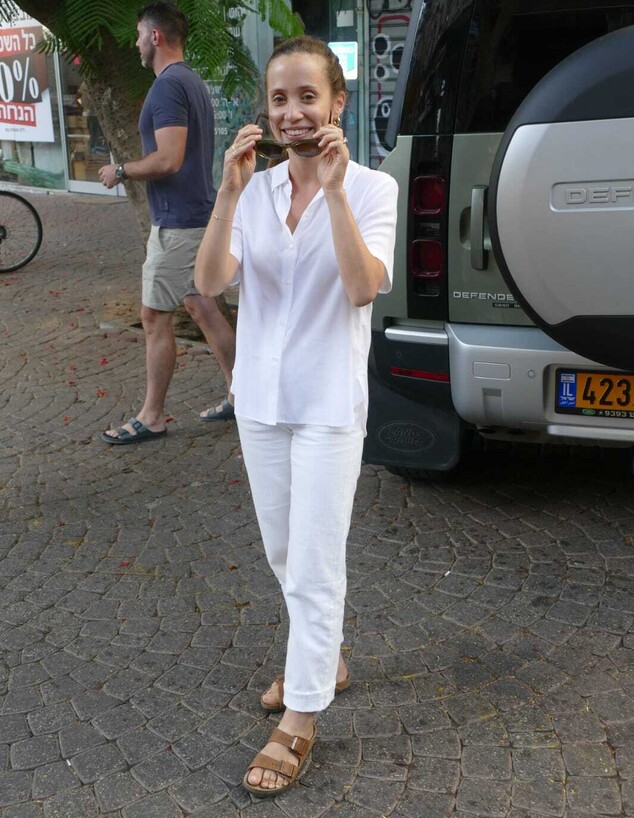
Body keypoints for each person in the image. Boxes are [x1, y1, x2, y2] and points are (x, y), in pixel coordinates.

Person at [194, 35, 398, 797]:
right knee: (283, 551)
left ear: (337, 102)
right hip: (261, 399)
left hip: (327, 404)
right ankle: (327, 656)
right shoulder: (256, 191)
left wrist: (335, 193)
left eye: (308, 96)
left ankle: (302, 717)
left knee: (314, 561)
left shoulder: (373, 189)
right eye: (279, 98)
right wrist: (228, 194)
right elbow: (209, 282)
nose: (292, 112)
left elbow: (361, 287)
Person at [99, 1, 236, 445]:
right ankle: (243, 395)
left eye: (140, 34)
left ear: (155, 36)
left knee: (154, 317)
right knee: (202, 307)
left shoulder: (167, 87)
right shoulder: (190, 81)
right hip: (196, 215)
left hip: (178, 224)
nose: (137, 43)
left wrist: (121, 170)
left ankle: (152, 416)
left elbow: (169, 159)